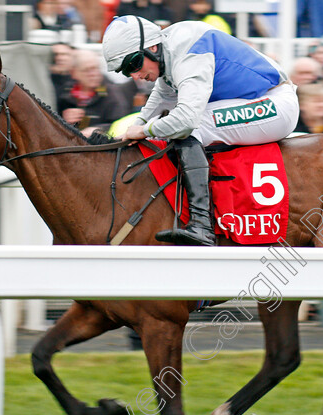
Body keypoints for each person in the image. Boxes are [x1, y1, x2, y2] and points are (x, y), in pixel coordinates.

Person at [101, 15, 298, 246]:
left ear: (152, 47)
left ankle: (202, 225)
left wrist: (143, 130)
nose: (135, 75)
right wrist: (138, 125)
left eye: (134, 64)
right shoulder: (169, 48)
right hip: (256, 100)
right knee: (166, 127)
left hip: (275, 105)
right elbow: (163, 94)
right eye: (126, 71)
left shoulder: (189, 52)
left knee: (189, 127)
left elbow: (185, 120)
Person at [56, 49, 131, 134]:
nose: (93, 74)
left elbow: (122, 124)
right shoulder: (64, 93)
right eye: (87, 70)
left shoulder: (111, 92)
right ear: (74, 73)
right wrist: (63, 120)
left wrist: (99, 130)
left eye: (96, 68)